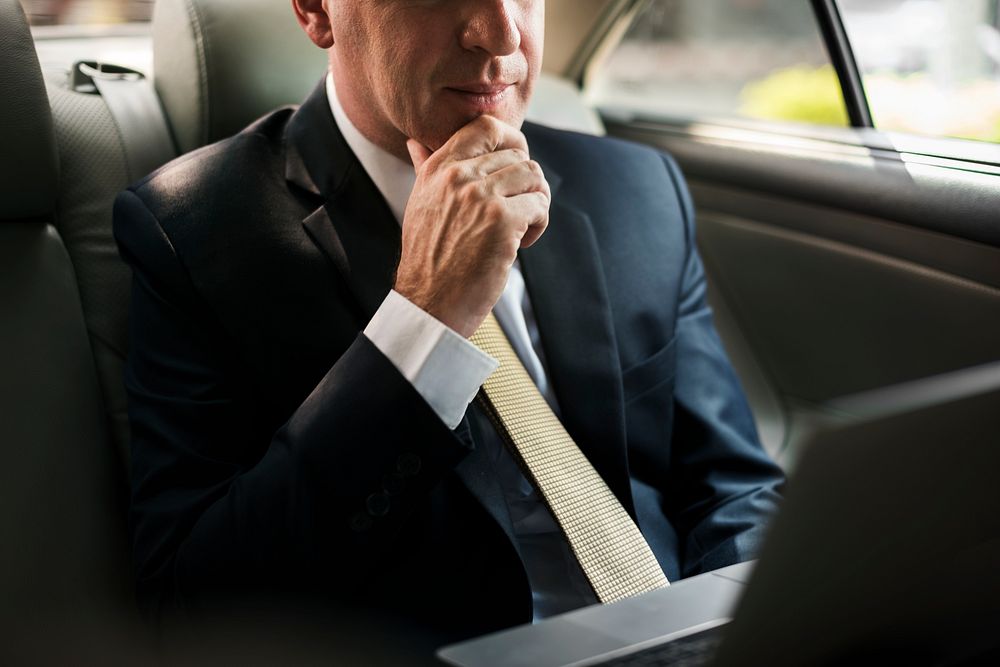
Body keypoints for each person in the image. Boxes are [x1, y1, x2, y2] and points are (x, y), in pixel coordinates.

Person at [113, 0, 784, 645]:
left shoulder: (636, 187)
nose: (500, 35)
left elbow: (735, 489)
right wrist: (423, 322)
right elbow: (193, 611)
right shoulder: (192, 234)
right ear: (317, 8)